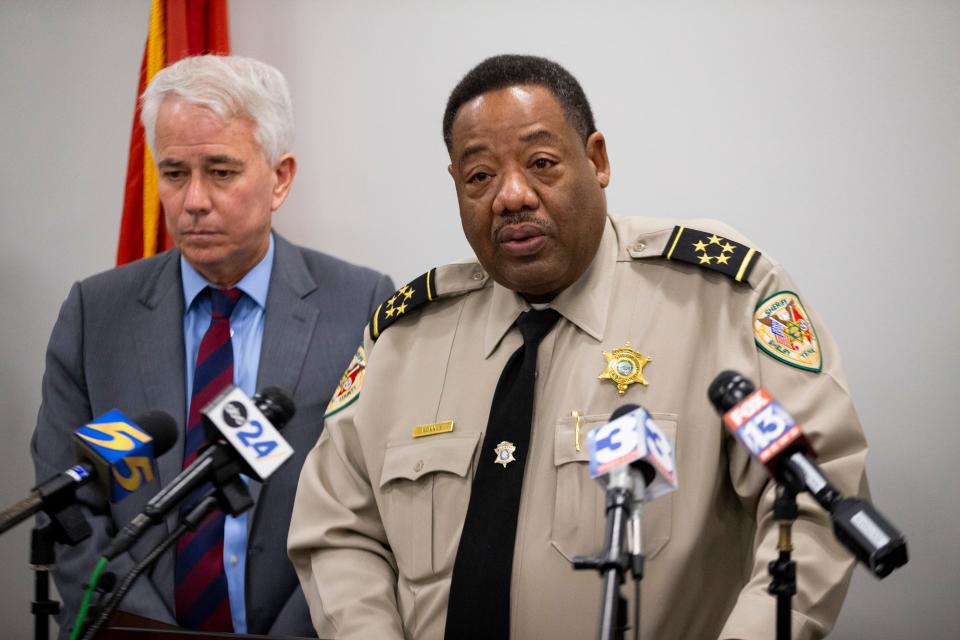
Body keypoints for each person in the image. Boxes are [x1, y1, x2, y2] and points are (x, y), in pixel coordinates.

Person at [288, 54, 868, 639]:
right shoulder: (405, 338)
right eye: (480, 177)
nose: (511, 196)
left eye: (541, 163)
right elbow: (337, 527)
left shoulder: (718, 301)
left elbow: (815, 502)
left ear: (597, 160)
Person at [31, 55, 393, 638]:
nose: (194, 200)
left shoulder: (360, 305)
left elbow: (369, 505)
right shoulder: (94, 315)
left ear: (280, 177)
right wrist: (145, 630)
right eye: (174, 173)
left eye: (221, 172)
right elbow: (72, 509)